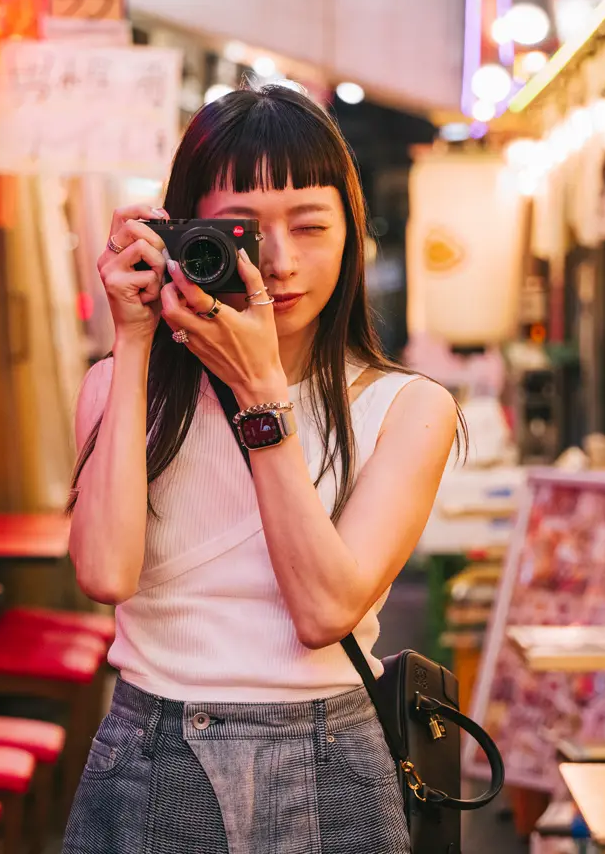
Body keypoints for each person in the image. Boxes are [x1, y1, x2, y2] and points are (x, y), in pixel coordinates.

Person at [64, 85, 461, 853]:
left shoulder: (407, 407)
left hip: (331, 756)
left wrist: (260, 398)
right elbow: (106, 575)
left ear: (351, 234)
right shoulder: (119, 384)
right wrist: (135, 341)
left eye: (311, 226)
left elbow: (323, 613)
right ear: (185, 234)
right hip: (152, 747)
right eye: (240, 231)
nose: (277, 263)